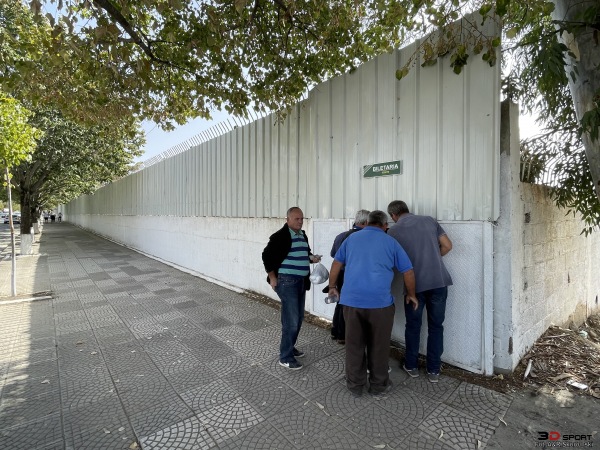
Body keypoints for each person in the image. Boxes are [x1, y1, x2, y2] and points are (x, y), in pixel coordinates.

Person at [328, 210, 417, 397]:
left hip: (351, 303)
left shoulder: (351, 239)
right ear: (385, 226)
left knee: (354, 345)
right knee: (379, 346)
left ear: (367, 223)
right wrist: (411, 294)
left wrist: (332, 286)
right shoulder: (391, 242)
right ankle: (378, 386)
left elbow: (336, 264)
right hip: (380, 305)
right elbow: (408, 271)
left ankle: (355, 385)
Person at [387, 200, 453, 383]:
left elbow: (391, 262)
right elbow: (448, 246)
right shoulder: (429, 220)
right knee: (436, 326)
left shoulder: (393, 231)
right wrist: (432, 259)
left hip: (413, 287)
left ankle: (412, 365)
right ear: (407, 210)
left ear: (393, 216)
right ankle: (433, 369)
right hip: (439, 281)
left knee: (414, 326)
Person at [262, 207, 321, 371]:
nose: (300, 221)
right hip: (286, 282)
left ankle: (290, 347)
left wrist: (312, 258)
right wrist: (273, 277)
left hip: (301, 281)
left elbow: (305, 253)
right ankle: (285, 357)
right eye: (297, 219)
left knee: (298, 317)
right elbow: (266, 255)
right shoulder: (280, 236)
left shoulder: (302, 235)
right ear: (287, 219)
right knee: (291, 320)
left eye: (302, 219)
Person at [324, 209, 370, 343]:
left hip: (339, 273)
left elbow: (333, 255)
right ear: (366, 222)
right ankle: (344, 335)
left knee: (340, 301)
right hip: (354, 275)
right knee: (350, 305)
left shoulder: (341, 236)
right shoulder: (364, 238)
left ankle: (336, 332)